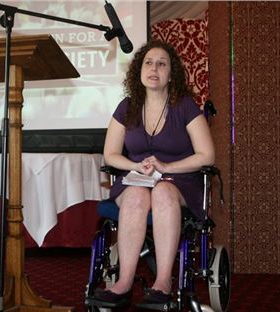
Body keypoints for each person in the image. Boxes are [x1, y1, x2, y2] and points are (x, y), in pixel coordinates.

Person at [94, 40, 215, 306]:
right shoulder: (127, 107)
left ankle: (163, 281)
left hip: (178, 180)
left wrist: (167, 167)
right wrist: (134, 166)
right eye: (148, 62)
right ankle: (124, 282)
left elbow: (207, 155)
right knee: (136, 196)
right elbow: (111, 154)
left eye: (162, 64)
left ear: (171, 74)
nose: (154, 68)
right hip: (136, 178)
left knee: (162, 192)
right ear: (139, 70)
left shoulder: (184, 106)